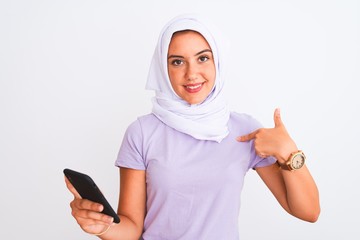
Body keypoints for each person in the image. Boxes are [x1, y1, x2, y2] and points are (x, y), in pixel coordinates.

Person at [65, 14, 320, 240]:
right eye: (177, 62)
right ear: (163, 69)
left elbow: (308, 212)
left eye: (203, 58)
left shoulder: (245, 130)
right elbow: (131, 229)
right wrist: (100, 226)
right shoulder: (141, 133)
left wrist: (289, 151)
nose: (191, 73)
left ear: (217, 61)